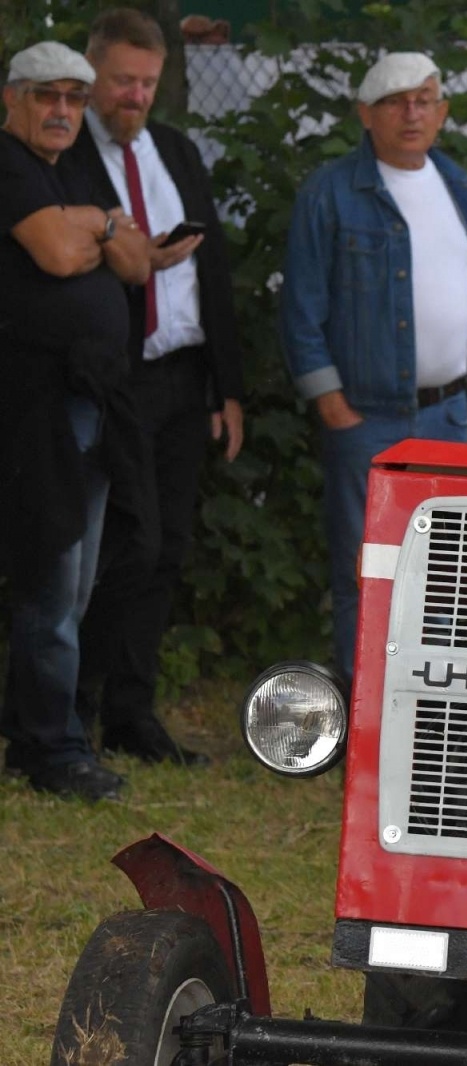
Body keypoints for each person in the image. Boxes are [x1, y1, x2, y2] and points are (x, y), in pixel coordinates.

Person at [68, 7, 245, 767]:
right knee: (115, 544)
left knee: (167, 545)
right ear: (91, 75)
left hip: (184, 373)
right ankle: (67, 707)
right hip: (114, 377)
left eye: (147, 82)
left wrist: (226, 387)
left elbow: (216, 271)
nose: (135, 96)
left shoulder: (175, 149)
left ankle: (131, 713)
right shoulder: (67, 158)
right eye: (121, 81)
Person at [280, 52, 467, 683]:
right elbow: (300, 306)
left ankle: (431, 714)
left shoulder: (456, 184)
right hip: (367, 417)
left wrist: (465, 395)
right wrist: (330, 401)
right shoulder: (332, 191)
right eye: (396, 101)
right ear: (365, 114)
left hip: (447, 413)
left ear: (443, 111)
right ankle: (365, 711)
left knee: (449, 575)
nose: (412, 112)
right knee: (366, 569)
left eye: (425, 99)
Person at [0, 41, 151, 801]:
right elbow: (62, 255)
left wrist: (89, 223)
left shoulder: (71, 171)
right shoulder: (9, 164)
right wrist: (97, 224)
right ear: (12, 100)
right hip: (36, 407)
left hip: (96, 402)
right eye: (45, 95)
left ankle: (35, 727)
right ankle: (52, 750)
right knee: (51, 583)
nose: (62, 111)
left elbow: (137, 262)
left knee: (80, 581)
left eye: (74, 98)